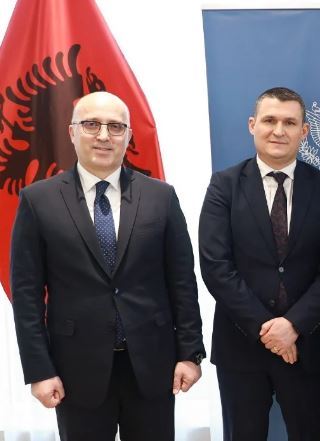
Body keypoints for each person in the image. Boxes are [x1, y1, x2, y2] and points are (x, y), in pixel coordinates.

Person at [10, 91, 205, 441]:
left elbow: (182, 282)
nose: (103, 135)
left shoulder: (161, 197)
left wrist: (190, 354)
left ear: (128, 136)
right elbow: (26, 296)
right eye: (91, 124)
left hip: (152, 367)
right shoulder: (38, 201)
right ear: (72, 132)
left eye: (115, 127)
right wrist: (39, 370)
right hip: (75, 371)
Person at [199, 87, 320, 440]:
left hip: (307, 345)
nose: (278, 130)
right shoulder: (224, 186)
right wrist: (268, 329)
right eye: (269, 120)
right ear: (252, 125)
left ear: (304, 131)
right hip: (241, 347)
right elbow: (216, 266)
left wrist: (293, 325)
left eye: (289, 122)